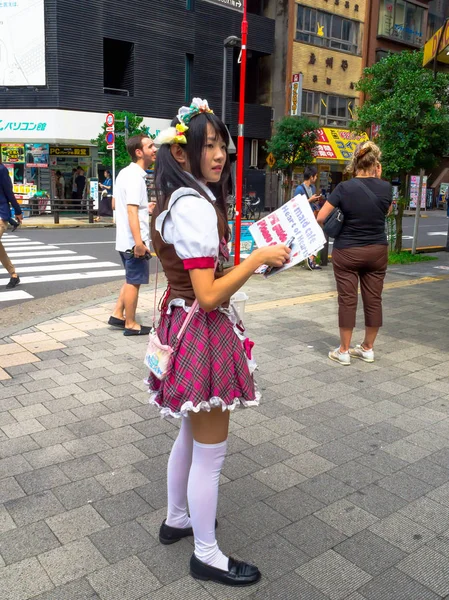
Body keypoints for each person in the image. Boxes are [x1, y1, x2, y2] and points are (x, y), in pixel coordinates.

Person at [149, 98, 290, 587]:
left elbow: (201, 279)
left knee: (188, 434)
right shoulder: (197, 206)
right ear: (182, 152)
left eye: (223, 146)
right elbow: (209, 296)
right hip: (202, 333)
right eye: (207, 145)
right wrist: (254, 261)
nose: (220, 155)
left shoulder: (177, 197)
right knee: (211, 451)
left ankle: (178, 519)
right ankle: (206, 554)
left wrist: (255, 260)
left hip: (180, 324)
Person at [317, 141, 392, 366]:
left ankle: (344, 351)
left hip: (348, 251)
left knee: (347, 300)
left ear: (355, 164)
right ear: (376, 164)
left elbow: (321, 217)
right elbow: (385, 211)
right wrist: (378, 179)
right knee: (374, 299)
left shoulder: (344, 188)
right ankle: (368, 348)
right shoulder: (386, 188)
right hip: (377, 251)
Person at [108, 134, 157, 335]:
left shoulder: (124, 173)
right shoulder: (136, 177)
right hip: (133, 242)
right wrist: (139, 243)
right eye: (150, 146)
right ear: (139, 152)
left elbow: (115, 204)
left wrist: (146, 208)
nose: (155, 149)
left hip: (124, 240)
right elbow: (131, 211)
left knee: (130, 279)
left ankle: (118, 314)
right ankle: (130, 324)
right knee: (134, 282)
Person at [293, 166, 323, 270]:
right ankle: (310, 259)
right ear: (311, 177)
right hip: (303, 220)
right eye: (315, 176)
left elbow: (311, 203)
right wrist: (309, 200)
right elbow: (295, 206)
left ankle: (310, 259)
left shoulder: (313, 188)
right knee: (318, 235)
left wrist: (315, 201)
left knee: (317, 237)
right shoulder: (299, 189)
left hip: (311, 217)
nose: (316, 178)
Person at [0, 163, 23, 288]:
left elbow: (9, 192)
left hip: (1, 213)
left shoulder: (1, 169)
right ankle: (14, 275)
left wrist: (18, 211)